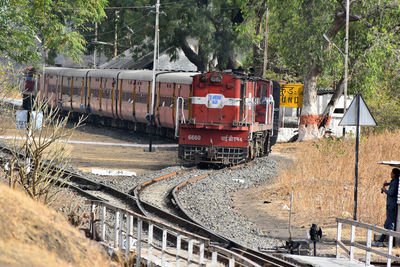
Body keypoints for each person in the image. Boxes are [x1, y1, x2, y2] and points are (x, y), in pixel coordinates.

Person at [373, 168, 400, 247]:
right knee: (387, 223)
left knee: (390, 223)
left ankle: (389, 241)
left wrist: (384, 190)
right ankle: (381, 239)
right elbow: (392, 184)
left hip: (391, 205)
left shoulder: (396, 182)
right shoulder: (395, 181)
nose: (390, 174)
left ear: (394, 174)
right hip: (390, 204)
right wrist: (387, 184)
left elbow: (391, 193)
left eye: (391, 173)